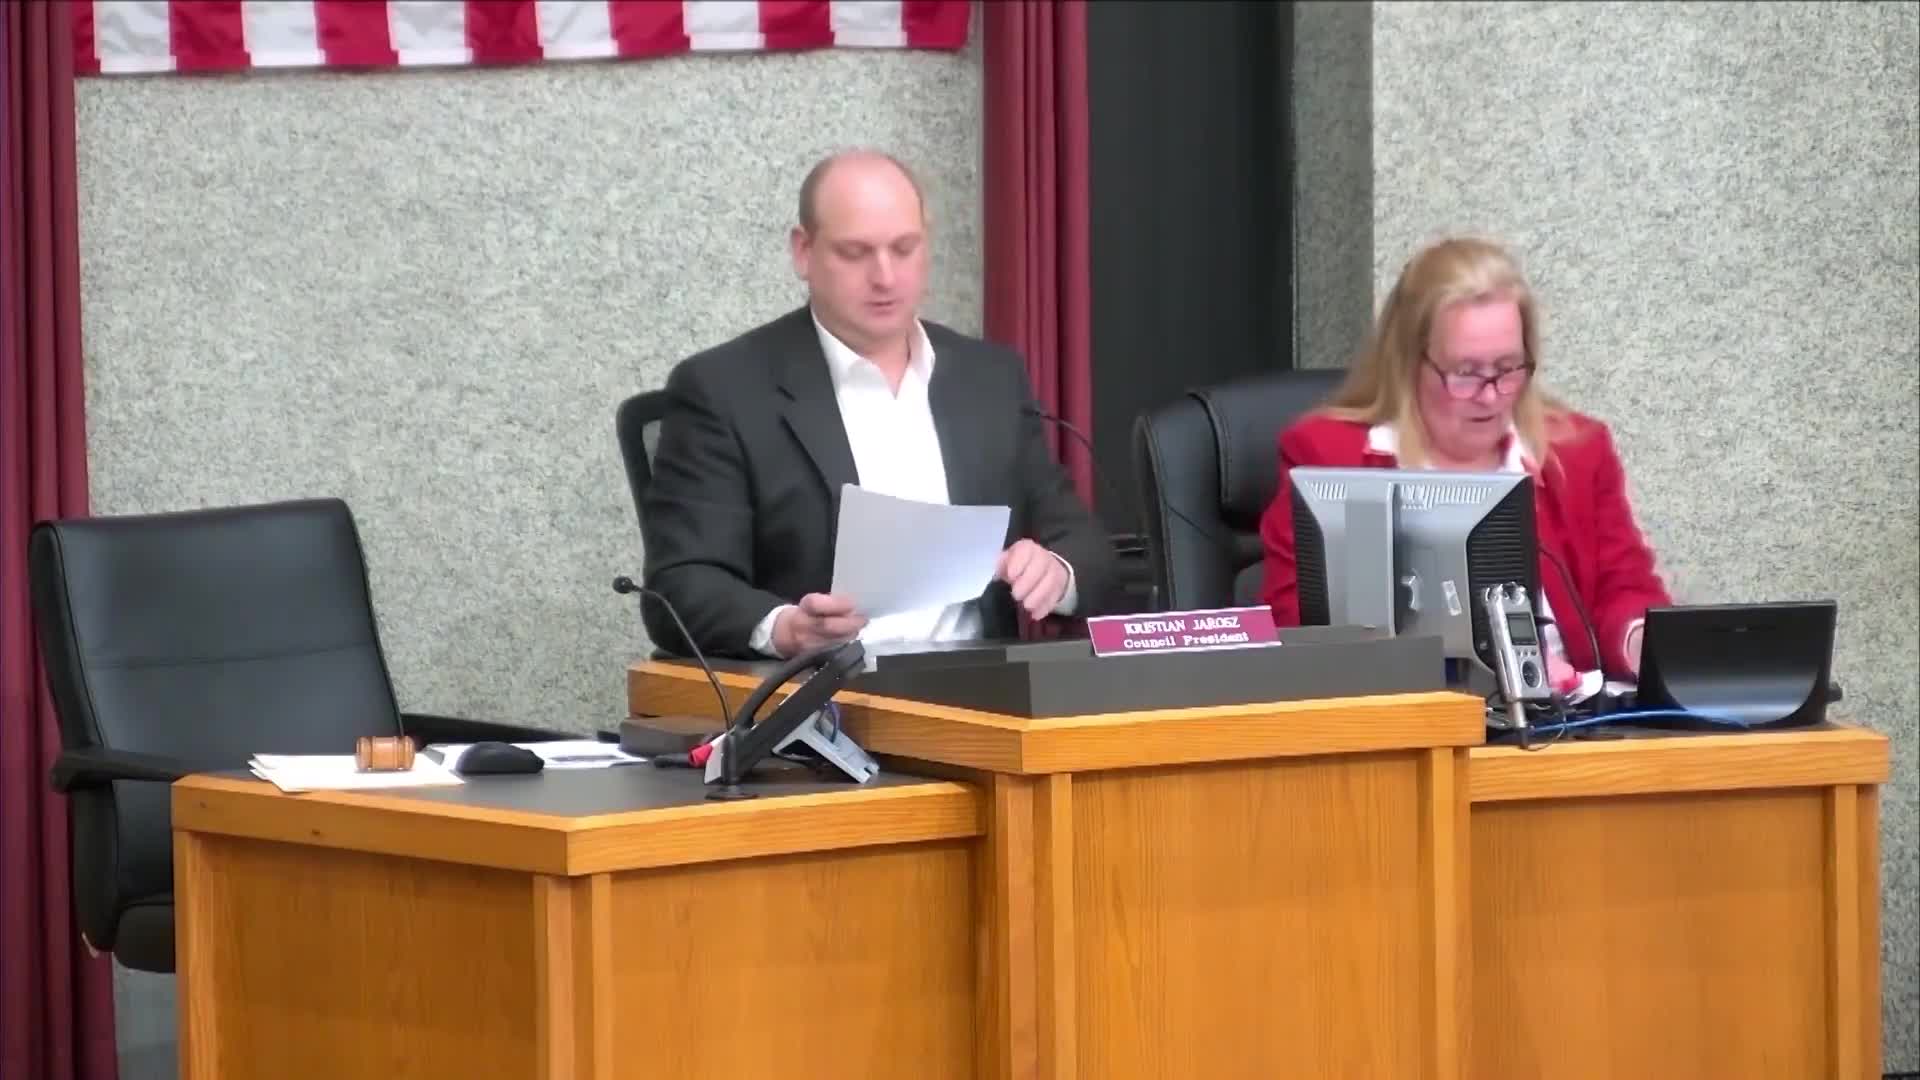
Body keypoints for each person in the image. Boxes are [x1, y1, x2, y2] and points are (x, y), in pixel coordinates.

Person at [638, 150, 1114, 659]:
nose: (885, 276)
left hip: (981, 683)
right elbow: (682, 584)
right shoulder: (725, 389)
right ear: (803, 252)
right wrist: (786, 629)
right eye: (855, 253)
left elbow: (1086, 545)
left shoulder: (988, 379)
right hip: (825, 690)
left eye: (904, 248)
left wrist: (1057, 571)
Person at [1256, 237, 1670, 683]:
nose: (1490, 396)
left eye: (1508, 368)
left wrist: (1640, 643)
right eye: (1466, 373)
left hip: (1569, 715)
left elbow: (1625, 587)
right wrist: (1503, 674)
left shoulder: (1576, 451)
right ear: (1409, 363)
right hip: (1409, 713)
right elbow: (1296, 629)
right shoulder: (1327, 458)